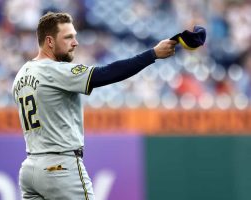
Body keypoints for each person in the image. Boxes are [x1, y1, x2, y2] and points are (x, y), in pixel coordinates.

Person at [12, 11, 176, 200]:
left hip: (31, 168)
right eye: (68, 37)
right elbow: (107, 73)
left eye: (74, 36)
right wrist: (152, 54)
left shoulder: (22, 74)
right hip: (60, 166)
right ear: (49, 41)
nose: (75, 42)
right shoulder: (55, 70)